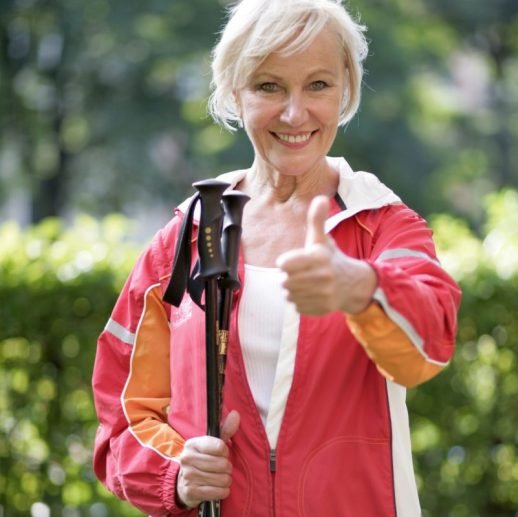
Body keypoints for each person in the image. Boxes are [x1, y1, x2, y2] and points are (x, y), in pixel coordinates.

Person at [91, 0, 462, 515]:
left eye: (318, 85)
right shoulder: (187, 237)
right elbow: (122, 413)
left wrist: (360, 285)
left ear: (346, 91)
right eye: (269, 86)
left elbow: (430, 345)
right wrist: (176, 474)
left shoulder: (382, 224)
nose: (294, 113)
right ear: (234, 94)